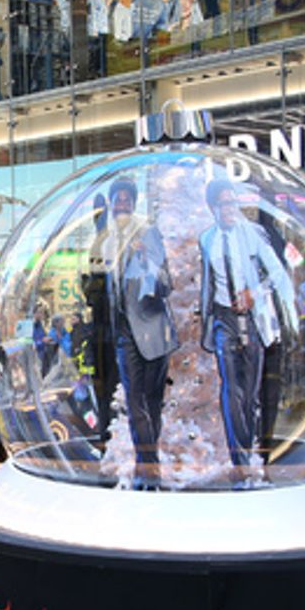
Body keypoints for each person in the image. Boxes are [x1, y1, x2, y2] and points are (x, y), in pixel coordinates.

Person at [197, 179, 298, 467]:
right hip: (223, 317)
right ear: (213, 208)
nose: (230, 209)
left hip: (252, 319)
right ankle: (238, 458)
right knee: (231, 387)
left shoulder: (253, 234)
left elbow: (277, 272)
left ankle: (250, 450)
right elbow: (208, 281)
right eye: (224, 204)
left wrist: (255, 293)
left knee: (250, 393)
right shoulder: (207, 238)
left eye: (233, 203)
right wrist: (206, 314)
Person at [105, 178, 178, 480]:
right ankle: (146, 464)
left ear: (134, 204)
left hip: (152, 330)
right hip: (125, 334)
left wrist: (147, 261)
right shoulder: (108, 243)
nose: (122, 204)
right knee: (135, 401)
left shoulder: (148, 234)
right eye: (117, 200)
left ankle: (148, 463)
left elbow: (166, 285)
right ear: (111, 205)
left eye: (127, 200)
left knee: (151, 402)